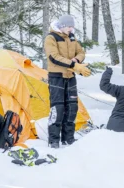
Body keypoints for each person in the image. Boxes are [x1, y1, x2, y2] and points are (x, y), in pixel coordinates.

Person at [44, 14, 91, 148]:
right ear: (63, 26)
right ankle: (53, 140)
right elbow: (54, 57)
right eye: (69, 27)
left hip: (70, 76)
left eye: (72, 27)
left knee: (72, 108)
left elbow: (81, 52)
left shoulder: (72, 37)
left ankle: (68, 138)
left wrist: (76, 61)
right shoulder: (51, 38)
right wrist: (73, 65)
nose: (71, 29)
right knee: (57, 108)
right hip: (56, 76)